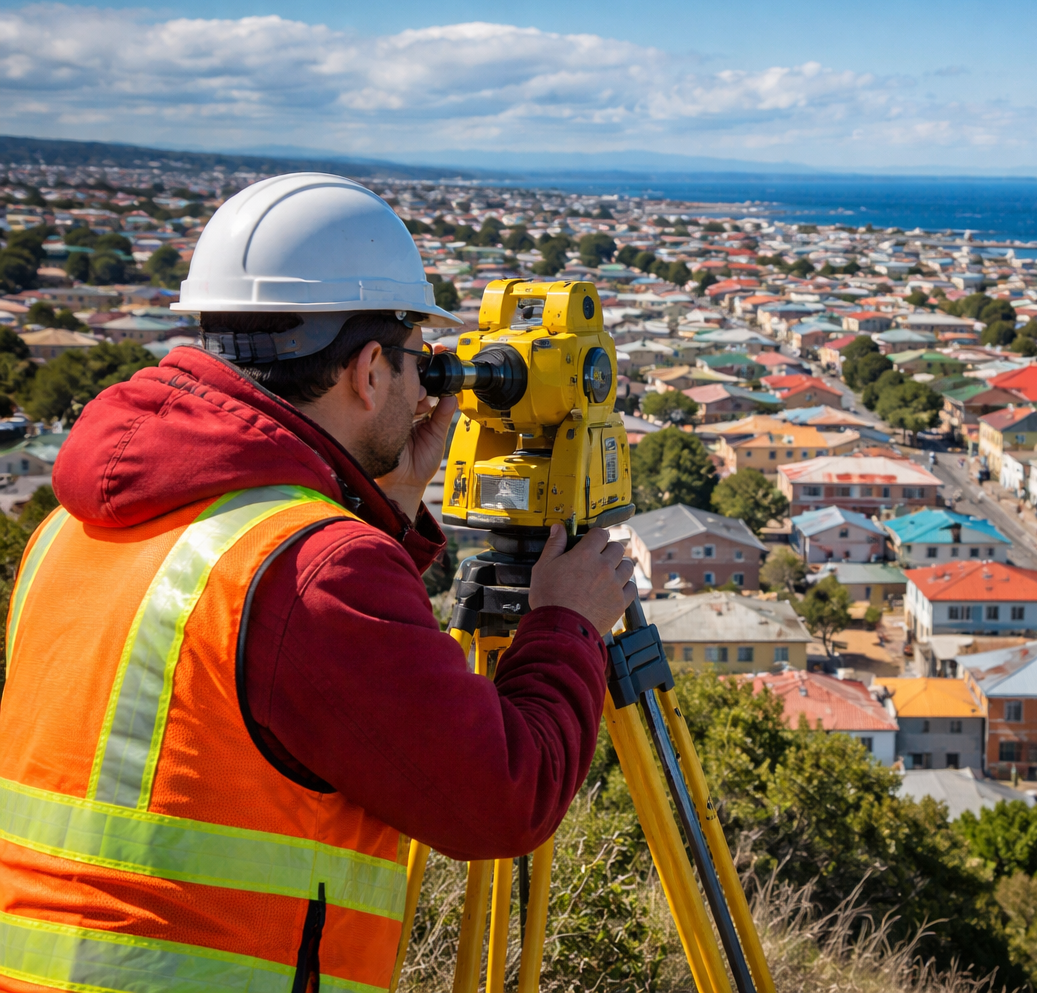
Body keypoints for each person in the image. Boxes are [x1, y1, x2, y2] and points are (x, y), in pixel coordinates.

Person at [0, 175, 635, 993]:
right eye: (416, 363)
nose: (426, 389)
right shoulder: (316, 571)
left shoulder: (73, 524)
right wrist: (568, 624)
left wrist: (383, 509)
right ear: (369, 370)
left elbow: (257, 687)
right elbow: (505, 800)